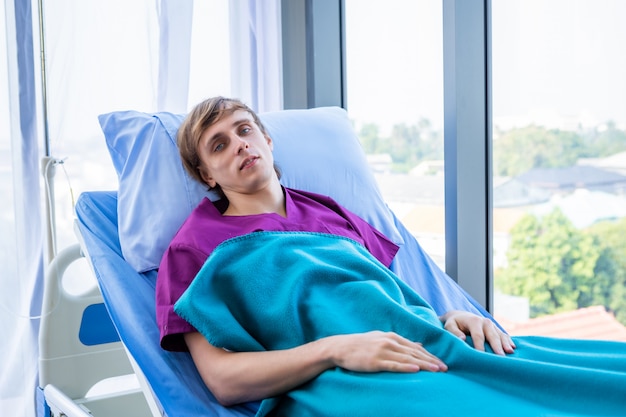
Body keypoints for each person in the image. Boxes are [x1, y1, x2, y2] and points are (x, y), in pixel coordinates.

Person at [157, 97, 626, 416]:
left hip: (424, 344)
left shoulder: (329, 212)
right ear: (206, 174)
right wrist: (336, 349)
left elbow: (384, 299)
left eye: (244, 130)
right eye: (219, 144)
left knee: (592, 373)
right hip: (340, 380)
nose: (239, 143)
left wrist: (452, 315)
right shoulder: (193, 248)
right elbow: (222, 381)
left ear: (268, 140)